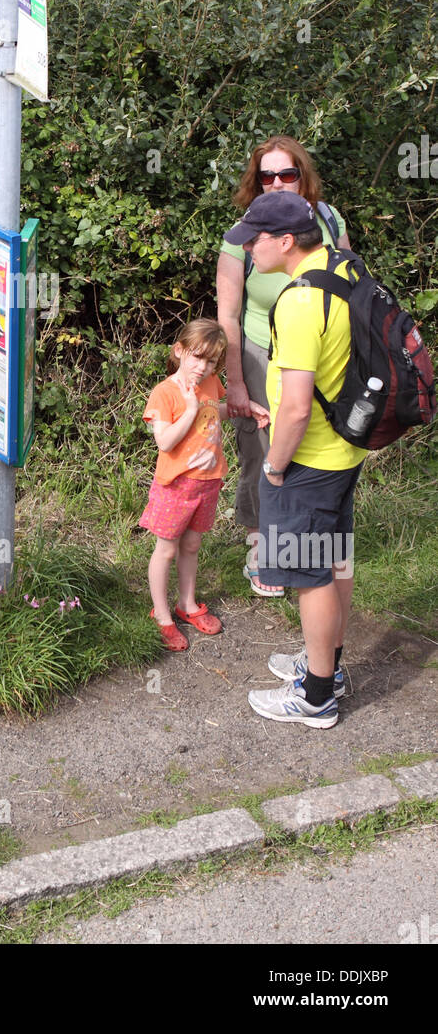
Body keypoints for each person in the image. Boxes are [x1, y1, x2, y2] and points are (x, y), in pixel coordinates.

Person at [221, 193, 366, 728]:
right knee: (335, 560)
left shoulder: (300, 301)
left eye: (255, 240)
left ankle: (316, 697)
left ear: (285, 242)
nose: (248, 250)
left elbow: (298, 405)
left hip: (306, 458)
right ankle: (327, 664)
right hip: (345, 449)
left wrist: (275, 466)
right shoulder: (342, 266)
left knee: (309, 576)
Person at [216, 135, 350, 597]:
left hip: (319, 350)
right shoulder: (245, 235)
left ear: (302, 176)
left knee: (309, 443)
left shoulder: (328, 221)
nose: (275, 183)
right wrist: (235, 381)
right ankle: (263, 545)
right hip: (259, 350)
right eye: (265, 175)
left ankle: (306, 547)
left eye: (286, 174)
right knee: (262, 450)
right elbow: (227, 313)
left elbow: (353, 286)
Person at [140, 318, 270, 650]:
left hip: (207, 482)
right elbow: (165, 442)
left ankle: (187, 604)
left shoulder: (210, 382)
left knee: (192, 546)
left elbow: (214, 412)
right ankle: (162, 615)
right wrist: (189, 409)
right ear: (179, 351)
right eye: (197, 357)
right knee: (166, 549)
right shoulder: (166, 393)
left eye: (211, 361)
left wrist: (243, 409)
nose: (203, 367)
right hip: (175, 487)